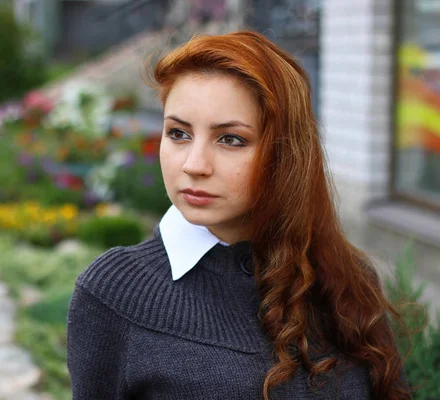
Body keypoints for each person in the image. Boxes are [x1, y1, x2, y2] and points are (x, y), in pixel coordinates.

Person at [66, 31, 412, 399]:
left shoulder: (344, 277)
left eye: (231, 139)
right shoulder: (114, 292)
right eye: (178, 133)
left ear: (285, 154)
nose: (194, 165)